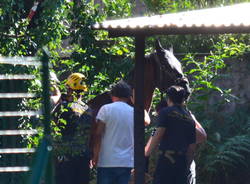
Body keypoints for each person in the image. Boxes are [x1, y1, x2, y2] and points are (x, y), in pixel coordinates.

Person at [145, 85, 207, 184]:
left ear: (168, 98)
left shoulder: (166, 112)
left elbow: (158, 134)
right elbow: (192, 147)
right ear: (183, 100)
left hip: (167, 161)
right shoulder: (189, 118)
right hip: (182, 163)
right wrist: (186, 166)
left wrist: (145, 155)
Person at [91, 81, 134, 184]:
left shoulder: (106, 109)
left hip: (106, 161)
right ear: (128, 96)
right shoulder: (134, 112)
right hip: (126, 162)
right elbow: (146, 121)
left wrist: (95, 155)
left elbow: (98, 134)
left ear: (113, 95)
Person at [52, 73, 92, 184]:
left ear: (69, 89)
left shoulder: (63, 108)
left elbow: (53, 126)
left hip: (66, 158)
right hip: (83, 157)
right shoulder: (88, 110)